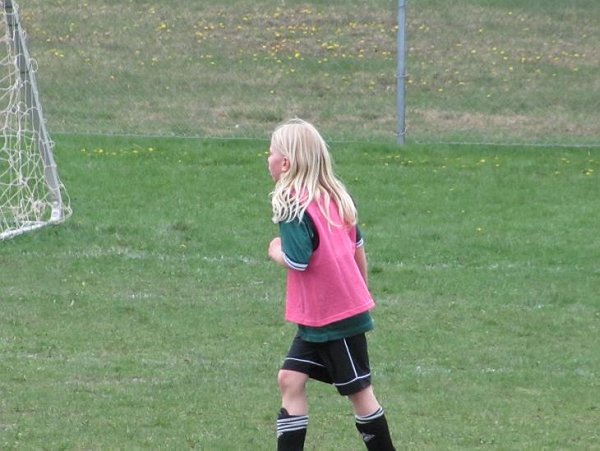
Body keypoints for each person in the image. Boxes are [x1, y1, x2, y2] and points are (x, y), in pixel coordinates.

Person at [266, 118, 395, 451]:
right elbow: (357, 247)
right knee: (290, 379)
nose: (268, 159)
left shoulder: (292, 204)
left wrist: (275, 249)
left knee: (360, 393)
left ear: (286, 163)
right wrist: (361, 291)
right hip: (319, 318)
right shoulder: (332, 196)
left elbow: (297, 260)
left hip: (335, 318)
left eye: (271, 153)